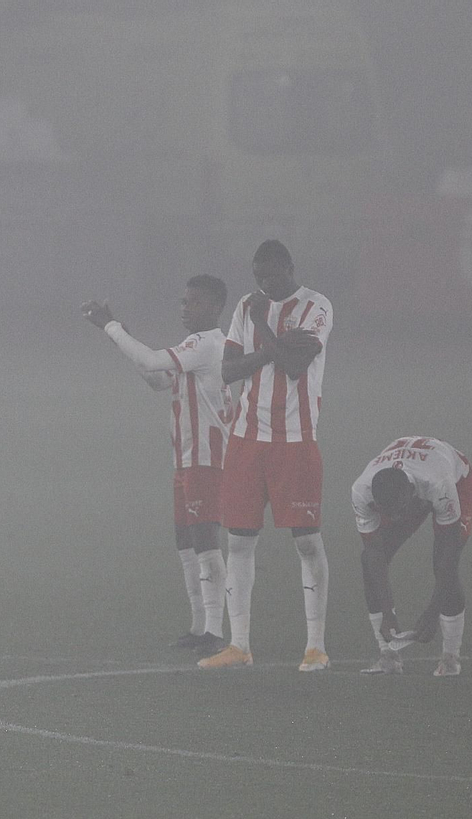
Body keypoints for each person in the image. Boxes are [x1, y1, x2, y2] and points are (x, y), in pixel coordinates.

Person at [199, 239, 334, 671]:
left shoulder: (316, 306)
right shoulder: (246, 306)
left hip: (296, 438)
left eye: (272, 276)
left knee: (308, 542)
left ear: (290, 267)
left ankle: (316, 647)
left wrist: (264, 327)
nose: (265, 284)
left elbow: (296, 368)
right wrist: (271, 346)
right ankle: (240, 646)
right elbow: (230, 370)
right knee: (238, 542)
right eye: (258, 277)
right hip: (246, 437)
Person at [81, 274, 231, 656]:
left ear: (216, 307)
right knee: (185, 540)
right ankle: (200, 625)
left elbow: (150, 359)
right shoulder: (191, 345)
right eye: (183, 301)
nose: (185, 308)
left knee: (204, 538)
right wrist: (122, 337)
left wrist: (112, 328)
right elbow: (157, 379)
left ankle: (215, 630)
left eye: (194, 302)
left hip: (205, 456)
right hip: (185, 456)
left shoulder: (208, 343)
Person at [351, 437, 472, 677]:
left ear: (409, 493)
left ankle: (450, 658)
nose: (396, 518)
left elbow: (450, 555)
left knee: (442, 564)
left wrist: (433, 613)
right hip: (409, 486)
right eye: (388, 513)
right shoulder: (361, 491)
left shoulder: (438, 483)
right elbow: (375, 555)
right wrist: (388, 614)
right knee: (368, 562)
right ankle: (388, 656)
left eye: (399, 511)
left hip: (458, 480)